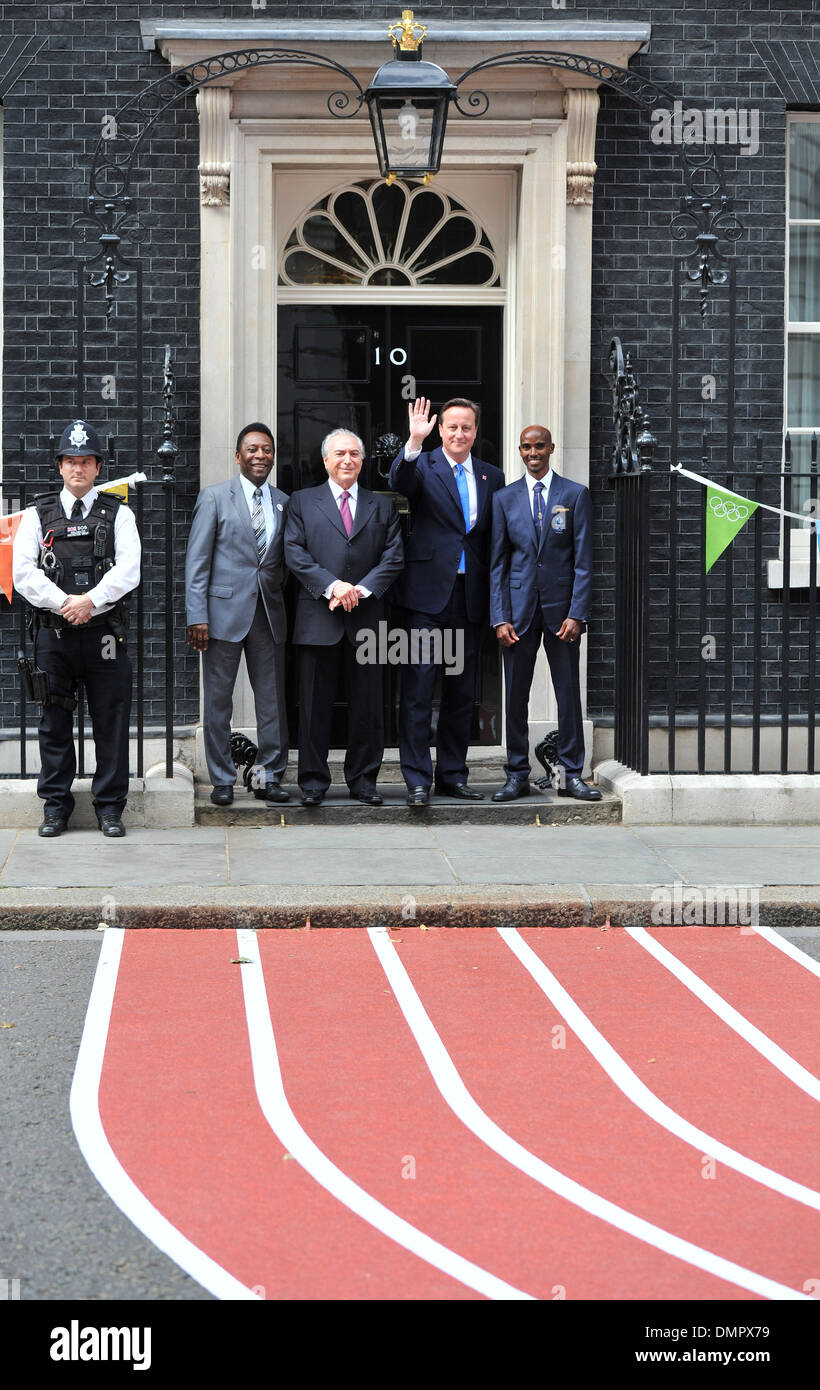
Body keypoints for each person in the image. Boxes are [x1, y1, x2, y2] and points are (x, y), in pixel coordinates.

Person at [12, 419, 141, 837]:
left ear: (98, 467)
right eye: (71, 461)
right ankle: (55, 807)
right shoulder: (37, 515)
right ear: (60, 466)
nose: (78, 469)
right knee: (53, 722)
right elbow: (22, 575)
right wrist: (66, 603)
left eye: (86, 461)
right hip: (55, 632)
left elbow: (130, 570)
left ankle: (109, 808)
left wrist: (91, 601)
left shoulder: (119, 514)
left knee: (111, 719)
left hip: (104, 633)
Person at [389, 397, 505, 806]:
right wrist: (413, 443)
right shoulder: (422, 464)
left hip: (469, 597)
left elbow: (492, 538)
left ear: (476, 431)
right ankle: (417, 779)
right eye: (452, 427)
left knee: (461, 694)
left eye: (467, 427)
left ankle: (452, 775)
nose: (459, 434)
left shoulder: (493, 476)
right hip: (425, 598)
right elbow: (398, 485)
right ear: (441, 430)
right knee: (419, 689)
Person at [284, 429, 404, 806]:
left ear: (363, 460)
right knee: (313, 707)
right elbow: (294, 553)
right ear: (325, 460)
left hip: (367, 619)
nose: (347, 460)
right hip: (318, 618)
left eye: (354, 453)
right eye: (339, 454)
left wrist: (360, 591)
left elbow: (394, 557)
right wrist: (335, 587)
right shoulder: (302, 502)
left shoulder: (381, 506)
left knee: (368, 707)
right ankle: (313, 782)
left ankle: (364, 780)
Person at [490, 423, 601, 802]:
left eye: (540, 446)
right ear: (519, 451)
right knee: (515, 698)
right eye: (526, 447)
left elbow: (584, 562)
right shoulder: (504, 499)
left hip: (562, 614)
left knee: (568, 695)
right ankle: (517, 774)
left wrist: (577, 613)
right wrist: (500, 617)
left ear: (551, 448)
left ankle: (572, 774)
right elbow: (498, 564)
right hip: (517, 614)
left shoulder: (575, 495)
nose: (533, 453)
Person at [185, 423, 290, 807]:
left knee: (271, 702)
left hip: (268, 614)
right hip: (220, 614)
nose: (260, 455)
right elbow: (197, 561)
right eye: (252, 449)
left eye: (266, 449)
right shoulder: (214, 498)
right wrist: (196, 615)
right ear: (237, 456)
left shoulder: (284, 501)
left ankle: (269, 777)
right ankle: (223, 779)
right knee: (218, 703)